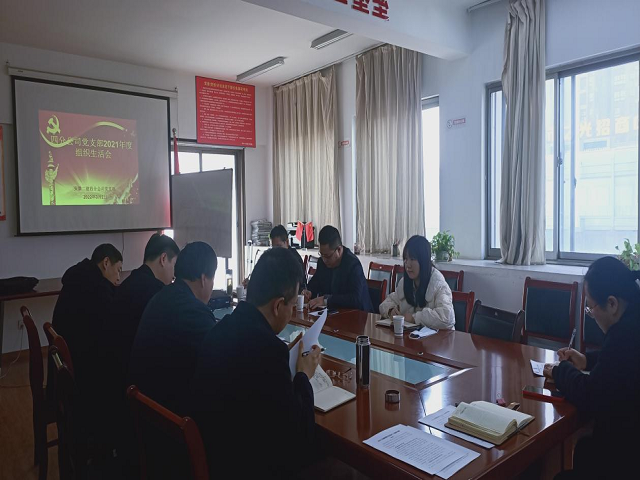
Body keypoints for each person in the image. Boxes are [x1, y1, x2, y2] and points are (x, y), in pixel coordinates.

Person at [189, 247, 320, 479]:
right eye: (292, 305)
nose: (292, 312)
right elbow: (298, 439)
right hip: (246, 466)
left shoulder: (220, 329)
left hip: (215, 457)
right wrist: (303, 376)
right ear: (278, 306)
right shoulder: (269, 351)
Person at [543, 256, 640, 479]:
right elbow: (618, 362)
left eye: (591, 307)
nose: (591, 314)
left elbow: (589, 394)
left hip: (627, 459)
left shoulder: (624, 336)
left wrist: (560, 370)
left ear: (612, 304)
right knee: (585, 449)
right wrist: (586, 360)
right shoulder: (633, 320)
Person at [128, 241, 217, 415]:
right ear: (204, 279)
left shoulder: (161, 297)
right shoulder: (194, 312)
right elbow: (219, 359)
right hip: (169, 419)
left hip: (145, 409)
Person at [51, 243, 123, 394]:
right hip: (81, 366)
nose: (118, 278)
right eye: (118, 270)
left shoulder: (79, 275)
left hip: (64, 360)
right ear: (106, 263)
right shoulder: (97, 288)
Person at [379, 235, 454, 330]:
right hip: (411, 337)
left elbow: (447, 317)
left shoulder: (438, 283)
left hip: (439, 338)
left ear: (423, 260)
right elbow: (386, 303)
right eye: (406, 259)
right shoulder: (404, 282)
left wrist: (414, 318)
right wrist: (390, 311)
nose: (408, 265)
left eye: (412, 259)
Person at [303, 225, 373, 312]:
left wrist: (326, 300)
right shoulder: (322, 262)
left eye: (327, 256)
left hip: (359, 315)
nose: (324, 260)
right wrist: (309, 292)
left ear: (339, 250)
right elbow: (315, 283)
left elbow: (355, 299)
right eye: (321, 254)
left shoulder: (353, 265)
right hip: (333, 314)